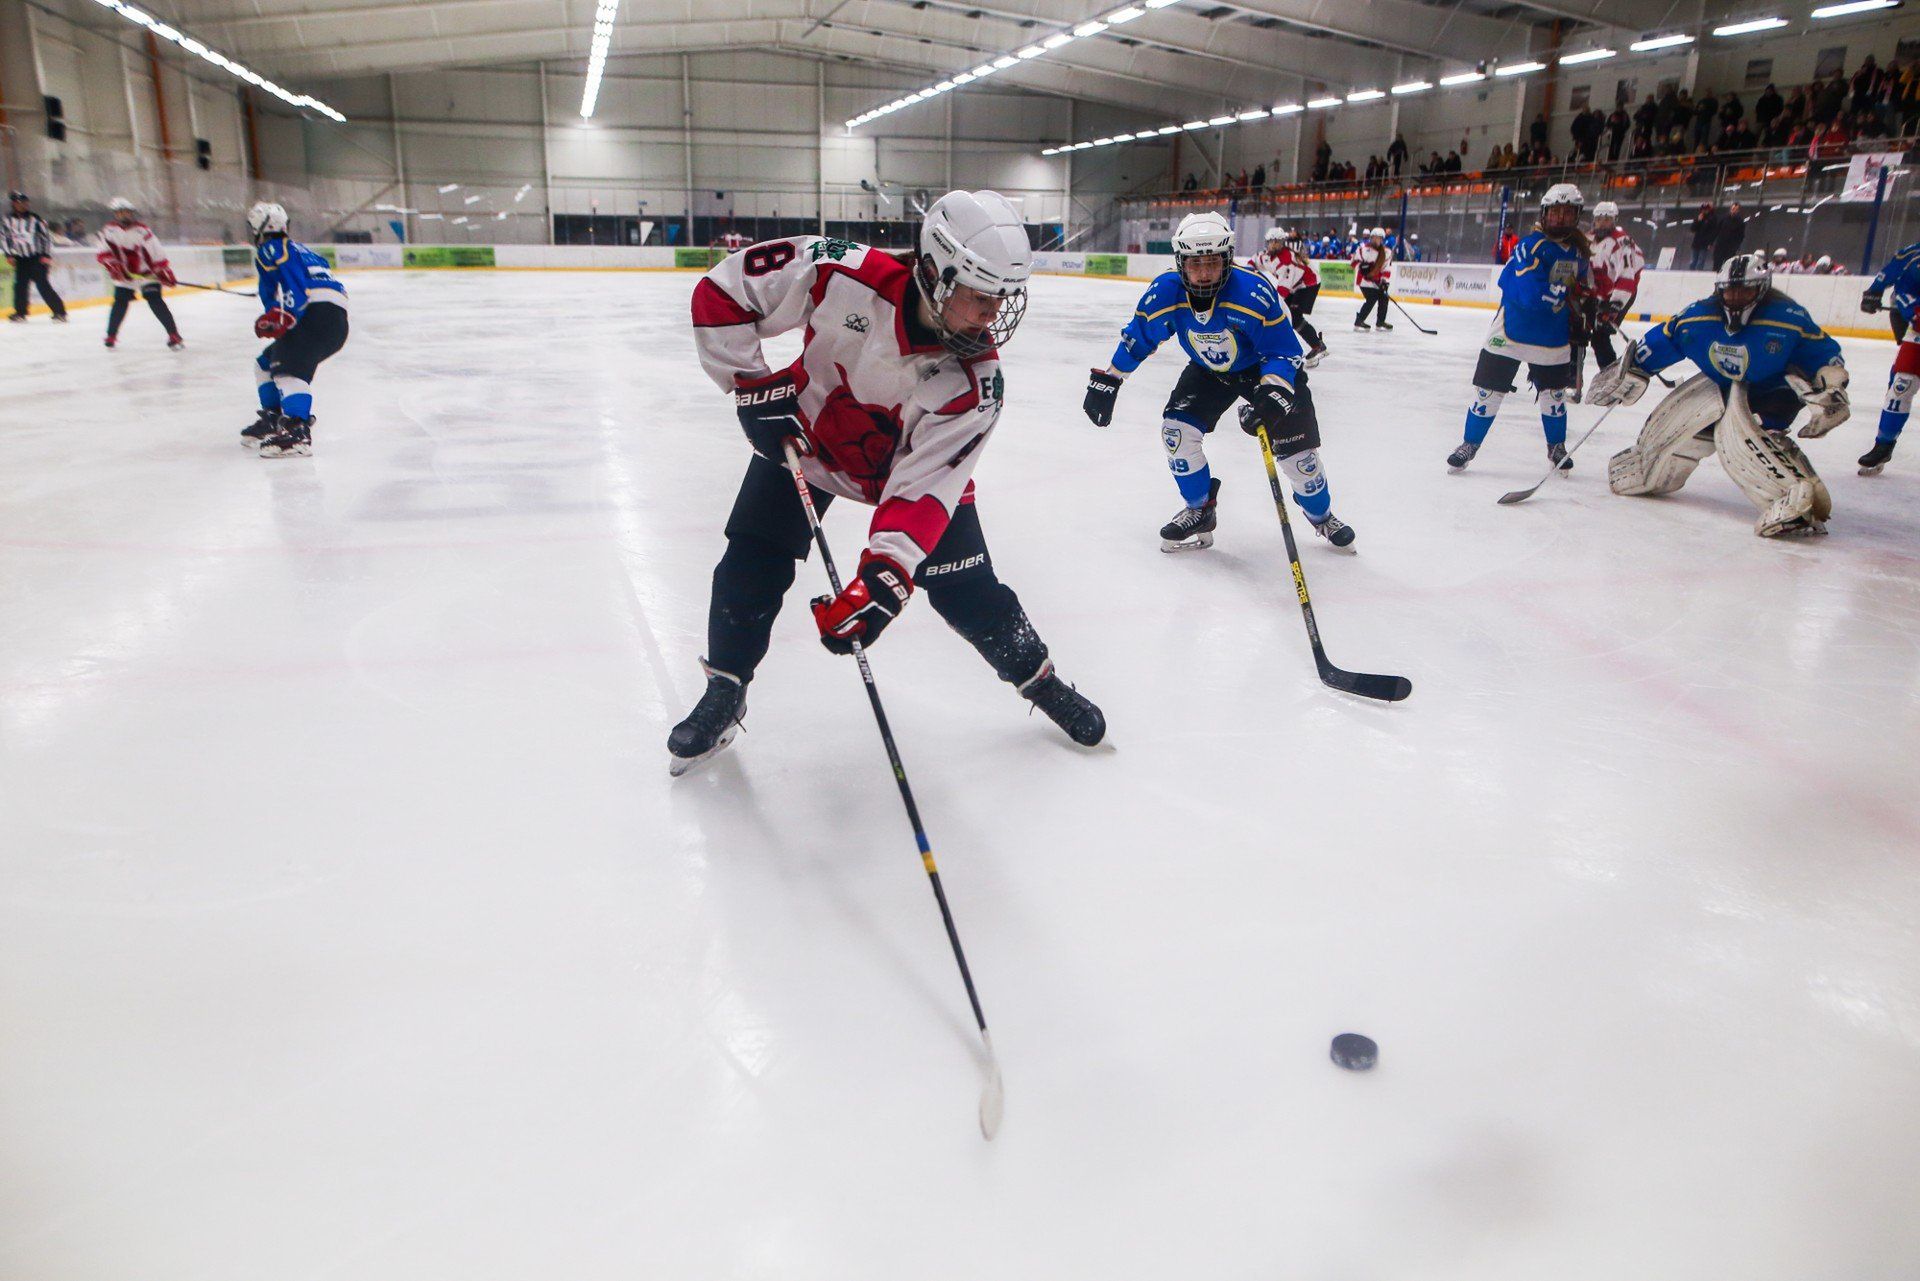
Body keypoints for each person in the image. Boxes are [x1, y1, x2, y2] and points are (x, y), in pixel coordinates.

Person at [668, 190, 1105, 774]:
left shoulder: (977, 384)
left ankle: (1039, 679)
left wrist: (884, 578)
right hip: (808, 436)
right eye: (979, 297)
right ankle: (725, 688)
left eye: (1002, 299)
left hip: (902, 468)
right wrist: (752, 386)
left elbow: (922, 490)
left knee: (969, 591)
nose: (992, 317)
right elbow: (724, 291)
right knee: (752, 556)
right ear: (933, 271)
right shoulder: (842, 271)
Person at [1081, 210, 1355, 552]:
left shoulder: (1254, 293)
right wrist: (1111, 378)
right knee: (1176, 433)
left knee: (1299, 460)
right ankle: (1200, 509)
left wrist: (1272, 396)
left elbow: (1283, 352)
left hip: (1264, 370)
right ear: (1180, 263)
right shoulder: (1165, 292)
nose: (1203, 273)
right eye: (1194, 264)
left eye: (1212, 262)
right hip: (1210, 369)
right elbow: (1140, 337)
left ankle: (1322, 516)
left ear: (1227, 259)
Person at [1589, 252, 1849, 538]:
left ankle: (1794, 498)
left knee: (1752, 434)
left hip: (1776, 389)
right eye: (1729, 290)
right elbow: (1665, 340)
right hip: (1720, 387)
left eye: (1745, 289)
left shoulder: (1788, 319)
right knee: (1678, 441)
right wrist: (1634, 368)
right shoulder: (1697, 318)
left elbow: (1826, 357)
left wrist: (1832, 389)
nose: (1736, 297)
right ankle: (1647, 467)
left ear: (1762, 289)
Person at [1447, 184, 1589, 473]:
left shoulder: (1579, 253)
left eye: (1567, 213)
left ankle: (1556, 447)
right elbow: (1525, 291)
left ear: (1576, 216)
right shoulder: (1529, 246)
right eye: (1556, 212)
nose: (1560, 219)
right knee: (1487, 393)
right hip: (1511, 330)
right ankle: (1469, 444)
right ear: (1545, 213)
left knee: (1554, 396)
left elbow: (1580, 288)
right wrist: (1560, 297)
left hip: (1551, 336)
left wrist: (1584, 312)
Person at [243, 202, 349, 458]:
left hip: (314, 314)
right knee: (266, 363)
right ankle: (273, 418)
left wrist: (285, 315)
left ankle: (296, 430)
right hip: (334, 320)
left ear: (261, 226)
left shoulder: (271, 247)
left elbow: (295, 286)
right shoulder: (302, 250)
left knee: (288, 370)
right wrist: (277, 314)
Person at [1856, 238, 1920, 472]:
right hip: (1918, 333)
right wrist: (1874, 291)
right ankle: (1883, 445)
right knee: (1900, 388)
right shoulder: (1913, 255)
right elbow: (1894, 278)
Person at [96, 197, 181, 350]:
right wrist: (114, 266)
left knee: (154, 299)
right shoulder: (108, 230)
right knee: (120, 302)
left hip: (146, 274)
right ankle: (111, 335)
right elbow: (103, 252)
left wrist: (163, 271)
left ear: (132, 213)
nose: (124, 215)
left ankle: (173, 334)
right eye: (121, 213)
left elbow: (157, 252)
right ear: (115, 214)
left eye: (127, 212)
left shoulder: (143, 230)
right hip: (125, 275)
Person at [1581, 200, 1645, 381]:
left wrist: (1615, 304)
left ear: (1614, 220)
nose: (1602, 222)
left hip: (1621, 294)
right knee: (1580, 329)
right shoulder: (1589, 239)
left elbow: (1627, 275)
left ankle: (1613, 380)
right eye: (1599, 219)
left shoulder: (1622, 242)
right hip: (1600, 294)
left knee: (1600, 337)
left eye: (1607, 219)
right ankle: (1572, 376)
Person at [1249, 226, 1328, 366]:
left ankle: (1317, 345)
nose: (1274, 245)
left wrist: (1268, 306)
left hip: (1308, 284)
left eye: (1277, 242)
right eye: (1271, 242)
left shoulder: (1286, 259)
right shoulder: (1266, 256)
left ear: (1282, 243)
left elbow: (1283, 290)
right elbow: (1253, 263)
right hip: (1295, 286)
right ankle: (1312, 344)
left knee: (1294, 316)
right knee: (1290, 316)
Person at [4, 191, 67, 322]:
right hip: (20, 258)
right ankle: (20, 313)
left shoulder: (36, 219)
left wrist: (46, 255)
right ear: (14, 204)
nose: (24, 206)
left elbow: (46, 238)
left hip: (36, 258)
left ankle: (60, 312)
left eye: (26, 203)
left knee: (42, 285)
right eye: (20, 203)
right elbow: (5, 238)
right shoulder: (8, 220)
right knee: (20, 286)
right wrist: (9, 254)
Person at [1351, 226, 1393, 331]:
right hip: (1364, 280)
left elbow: (1386, 269)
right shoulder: (1363, 249)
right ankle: (1359, 320)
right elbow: (1353, 263)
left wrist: (1384, 282)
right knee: (1372, 298)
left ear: (1382, 239)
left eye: (1379, 238)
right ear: (1371, 238)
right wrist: (1362, 267)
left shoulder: (1386, 252)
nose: (1376, 240)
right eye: (1374, 237)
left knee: (1384, 298)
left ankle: (1380, 322)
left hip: (1378, 281)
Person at [1689, 202, 1719, 271]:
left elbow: (1713, 232)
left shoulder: (1713, 218)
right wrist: (1698, 220)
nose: (1704, 211)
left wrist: (1710, 243)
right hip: (1696, 242)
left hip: (1705, 243)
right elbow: (1693, 229)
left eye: (1706, 209)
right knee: (1693, 260)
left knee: (1701, 260)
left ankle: (1698, 273)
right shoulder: (1699, 217)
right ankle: (1690, 273)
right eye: (1703, 209)